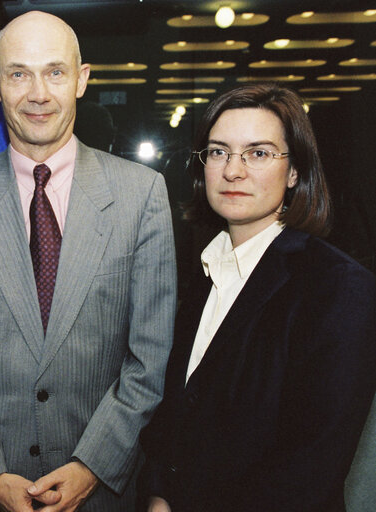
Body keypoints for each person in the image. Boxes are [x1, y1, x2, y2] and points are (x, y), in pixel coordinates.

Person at [0, 11, 176, 512]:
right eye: (19, 73)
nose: (38, 93)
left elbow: (150, 356)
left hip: (102, 491)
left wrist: (91, 467)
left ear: (81, 80)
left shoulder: (141, 194)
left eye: (55, 72)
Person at [138, 83, 376, 512]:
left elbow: (310, 464)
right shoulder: (208, 273)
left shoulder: (339, 287)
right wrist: (158, 497)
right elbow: (176, 416)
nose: (233, 170)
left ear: (295, 171)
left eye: (259, 153)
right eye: (218, 152)